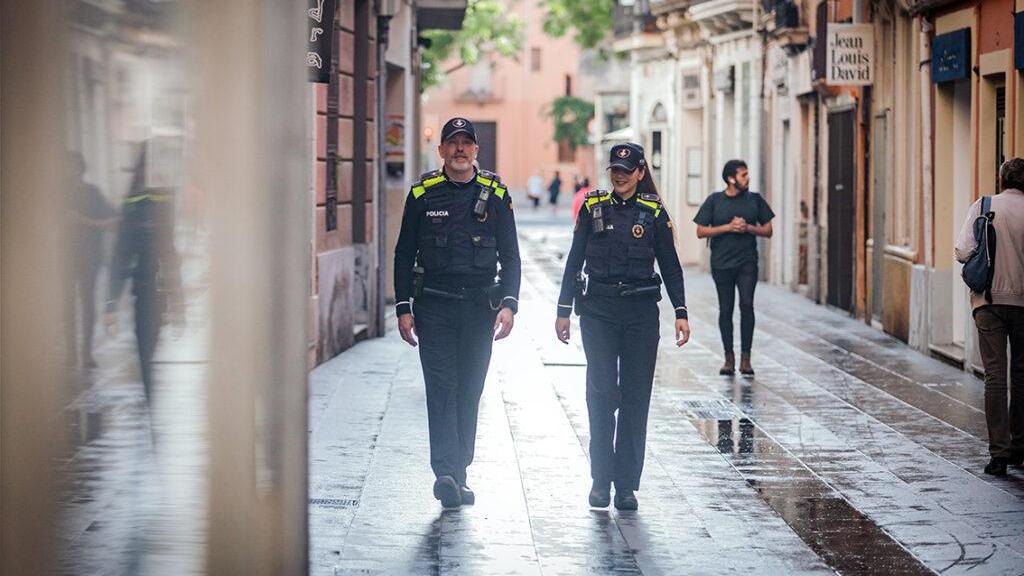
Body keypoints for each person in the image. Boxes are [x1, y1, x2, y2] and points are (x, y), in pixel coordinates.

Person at [394, 117, 521, 508]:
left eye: (467, 143)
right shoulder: (423, 193)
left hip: (478, 309)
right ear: (442, 150)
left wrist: (509, 304)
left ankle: (459, 472)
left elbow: (511, 254)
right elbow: (403, 253)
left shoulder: (496, 193)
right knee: (441, 390)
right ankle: (445, 472)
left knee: (469, 391)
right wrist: (403, 307)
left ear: (476, 151)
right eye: (453, 143)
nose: (460, 149)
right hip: (434, 306)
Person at [554, 143, 690, 511]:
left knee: (634, 398)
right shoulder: (593, 207)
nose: (620, 175)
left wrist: (681, 310)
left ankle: (626, 485)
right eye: (615, 169)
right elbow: (575, 259)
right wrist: (563, 309)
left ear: (641, 173)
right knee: (600, 393)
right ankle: (601, 480)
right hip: (598, 311)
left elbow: (670, 264)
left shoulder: (653, 212)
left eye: (627, 170)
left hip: (640, 314)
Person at [955, 157, 1024, 476]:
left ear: (1001, 180)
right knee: (1022, 374)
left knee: (995, 376)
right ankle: (1020, 447)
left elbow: (962, 251)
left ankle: (998, 453)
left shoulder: (983, 206)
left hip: (988, 303)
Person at [105, 143, 183, 404]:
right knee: (150, 342)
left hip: (144, 287)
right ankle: (151, 395)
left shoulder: (134, 204)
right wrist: (178, 302)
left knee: (145, 346)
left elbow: (120, 255)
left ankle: (150, 393)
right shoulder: (161, 203)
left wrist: (110, 303)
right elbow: (170, 255)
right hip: (156, 288)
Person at [693, 159, 774, 376]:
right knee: (725, 309)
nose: (747, 179)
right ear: (731, 178)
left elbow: (767, 230)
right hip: (721, 263)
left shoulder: (754, 200)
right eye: (743, 175)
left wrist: (747, 227)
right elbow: (700, 231)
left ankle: (746, 358)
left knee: (747, 305)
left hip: (747, 261)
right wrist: (728, 227)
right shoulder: (715, 201)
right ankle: (729, 358)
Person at [66, 152, 119, 369]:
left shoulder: (92, 193)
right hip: (65, 258)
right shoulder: (56, 195)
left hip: (89, 258)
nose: (64, 170)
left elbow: (114, 220)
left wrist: (84, 221)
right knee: (66, 307)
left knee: (87, 304)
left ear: (78, 168)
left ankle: (86, 353)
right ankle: (71, 355)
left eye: (68, 166)